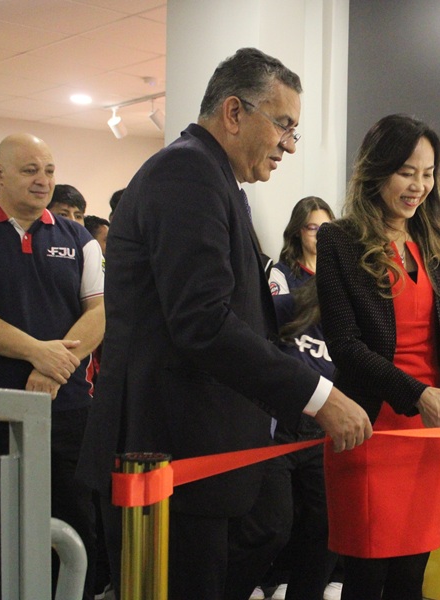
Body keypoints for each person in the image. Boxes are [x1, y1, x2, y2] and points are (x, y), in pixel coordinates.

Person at [77, 48, 372, 600]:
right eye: (284, 124)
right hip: (165, 461)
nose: (289, 143)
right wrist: (318, 396)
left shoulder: (213, 179)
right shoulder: (187, 173)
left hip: (199, 465)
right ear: (234, 112)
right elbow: (204, 322)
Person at [315, 114, 440, 600]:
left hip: (428, 432)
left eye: (428, 174)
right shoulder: (338, 240)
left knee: (410, 578)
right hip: (369, 428)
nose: (419, 186)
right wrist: (419, 394)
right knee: (367, 581)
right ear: (378, 169)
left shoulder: (433, 244)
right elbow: (345, 344)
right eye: (408, 172)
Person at [0, 133, 106, 600]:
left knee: (74, 527)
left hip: (67, 412)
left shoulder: (78, 238)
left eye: (49, 171)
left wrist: (56, 366)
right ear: (0, 175)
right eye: (31, 169)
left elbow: (101, 313)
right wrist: (36, 351)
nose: (43, 180)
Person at [252, 197, 342, 600]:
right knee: (273, 524)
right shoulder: (281, 273)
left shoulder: (345, 278)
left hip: (328, 417)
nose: (320, 238)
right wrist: (327, 292)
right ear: (297, 232)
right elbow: (278, 320)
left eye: (328, 230)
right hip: (285, 413)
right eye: (312, 229)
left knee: (324, 525)